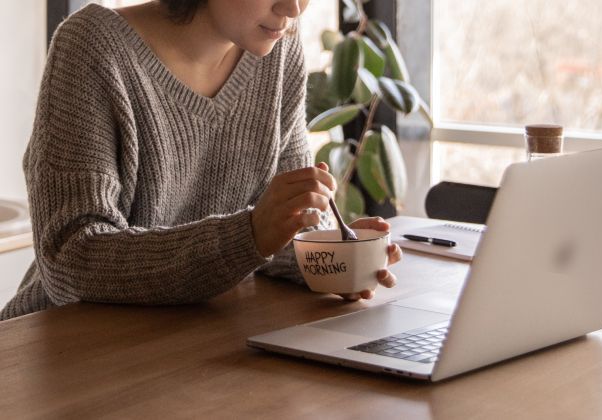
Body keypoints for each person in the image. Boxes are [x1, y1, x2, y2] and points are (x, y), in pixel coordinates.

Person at [0, 0, 402, 320]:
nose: (293, 8)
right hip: (63, 351)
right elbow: (71, 260)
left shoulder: (279, 50)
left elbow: (285, 224)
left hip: (194, 340)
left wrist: (329, 257)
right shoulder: (91, 47)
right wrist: (250, 235)